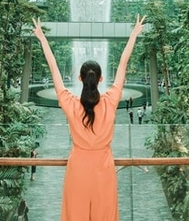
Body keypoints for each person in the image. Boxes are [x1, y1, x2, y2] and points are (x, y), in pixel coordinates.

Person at [32, 14, 146, 221]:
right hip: (104, 169)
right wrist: (134, 34)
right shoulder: (110, 101)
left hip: (78, 170)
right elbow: (122, 64)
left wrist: (42, 38)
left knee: (75, 215)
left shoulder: (70, 104)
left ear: (79, 79)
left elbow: (54, 69)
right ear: (101, 79)